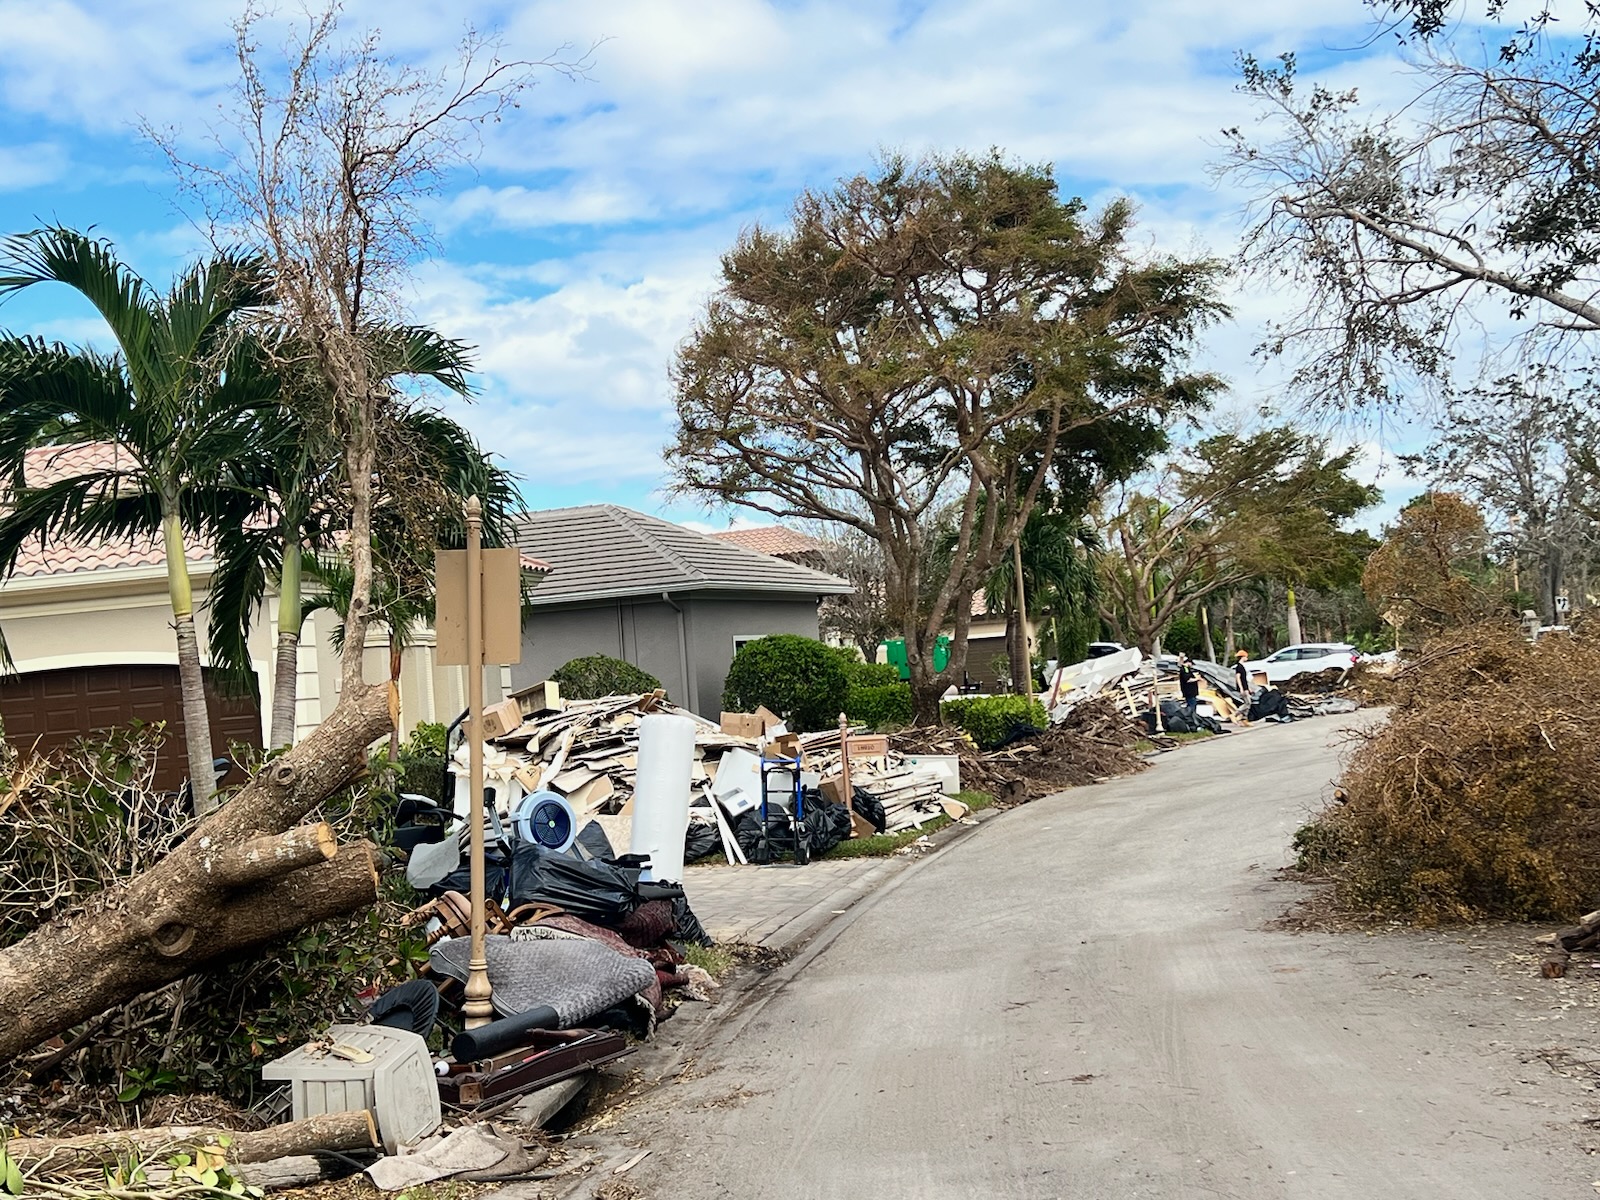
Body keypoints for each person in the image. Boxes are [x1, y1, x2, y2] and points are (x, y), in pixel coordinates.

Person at [1177, 653, 1200, 722]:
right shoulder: (1185, 669)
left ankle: (1192, 719)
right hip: (1189, 692)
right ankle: (1192, 720)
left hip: (1190, 692)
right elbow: (1188, 679)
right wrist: (1197, 679)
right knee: (1191, 707)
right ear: (1188, 663)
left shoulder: (1185, 669)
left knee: (1191, 705)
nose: (1192, 666)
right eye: (1191, 664)